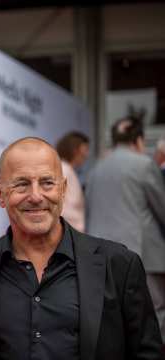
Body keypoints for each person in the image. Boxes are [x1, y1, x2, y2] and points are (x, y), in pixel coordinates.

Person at [0, 137, 163, 360]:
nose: (35, 196)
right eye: (21, 184)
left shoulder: (119, 266)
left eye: (47, 183)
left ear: (63, 190)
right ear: (0, 194)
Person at [86, 117, 165, 342]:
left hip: (99, 257)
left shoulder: (95, 169)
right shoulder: (144, 164)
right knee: (152, 317)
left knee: (110, 319)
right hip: (143, 255)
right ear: (139, 140)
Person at [55, 131, 89, 232]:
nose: (87, 155)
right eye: (85, 149)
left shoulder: (68, 170)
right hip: (66, 232)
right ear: (74, 148)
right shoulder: (63, 169)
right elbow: (58, 206)